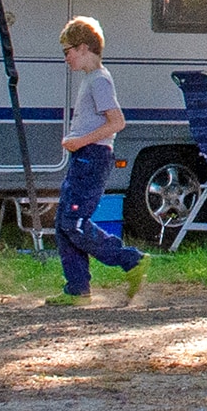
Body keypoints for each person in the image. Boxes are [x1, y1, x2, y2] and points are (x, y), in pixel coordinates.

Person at [54, 16, 145, 305]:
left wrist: (80, 141)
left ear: (83, 48)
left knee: (75, 222)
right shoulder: (91, 80)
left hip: (92, 157)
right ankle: (77, 289)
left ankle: (131, 260)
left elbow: (117, 122)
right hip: (83, 157)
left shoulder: (100, 81)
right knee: (63, 223)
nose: (66, 58)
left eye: (67, 51)